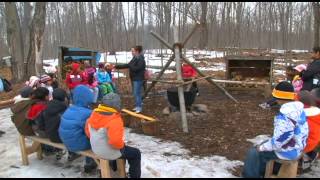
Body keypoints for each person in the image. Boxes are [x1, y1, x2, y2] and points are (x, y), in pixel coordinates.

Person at [242, 81, 309, 178]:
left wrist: (262, 147)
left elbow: (280, 140)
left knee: (254, 152)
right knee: (264, 145)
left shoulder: (286, 115)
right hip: (298, 146)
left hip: (289, 151)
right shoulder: (298, 109)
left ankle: (249, 176)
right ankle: (263, 171)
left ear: (278, 98)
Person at [85, 93, 141, 178]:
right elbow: (115, 142)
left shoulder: (94, 114)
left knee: (117, 146)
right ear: (117, 105)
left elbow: (88, 132)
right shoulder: (114, 119)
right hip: (108, 152)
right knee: (135, 153)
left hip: (95, 149)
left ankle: (114, 169)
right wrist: (122, 146)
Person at [59, 85, 97, 173]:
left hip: (65, 140)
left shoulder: (69, 109)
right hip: (77, 144)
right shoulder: (88, 113)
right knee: (94, 139)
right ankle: (90, 163)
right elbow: (91, 132)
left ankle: (87, 162)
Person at [37, 88, 68, 160]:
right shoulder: (65, 108)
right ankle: (73, 154)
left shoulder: (45, 106)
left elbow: (40, 124)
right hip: (61, 137)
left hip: (50, 135)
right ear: (63, 97)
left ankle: (58, 150)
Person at [115, 45, 146, 113]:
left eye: (133, 51)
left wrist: (130, 66)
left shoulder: (140, 59)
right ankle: (138, 105)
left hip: (138, 79)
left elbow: (137, 68)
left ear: (137, 51)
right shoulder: (134, 58)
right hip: (134, 78)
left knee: (136, 93)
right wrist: (116, 66)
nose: (131, 52)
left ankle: (139, 107)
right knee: (136, 93)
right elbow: (127, 65)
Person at [296, 91, 320, 165]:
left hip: (306, 145)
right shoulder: (316, 114)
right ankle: (311, 155)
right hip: (314, 142)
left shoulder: (304, 118)